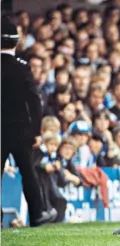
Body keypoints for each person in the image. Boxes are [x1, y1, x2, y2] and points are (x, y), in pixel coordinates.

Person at [1, 15, 56, 227]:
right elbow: (34, 101)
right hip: (20, 131)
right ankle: (37, 214)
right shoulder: (22, 67)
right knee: (28, 173)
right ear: (16, 41)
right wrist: (36, 131)